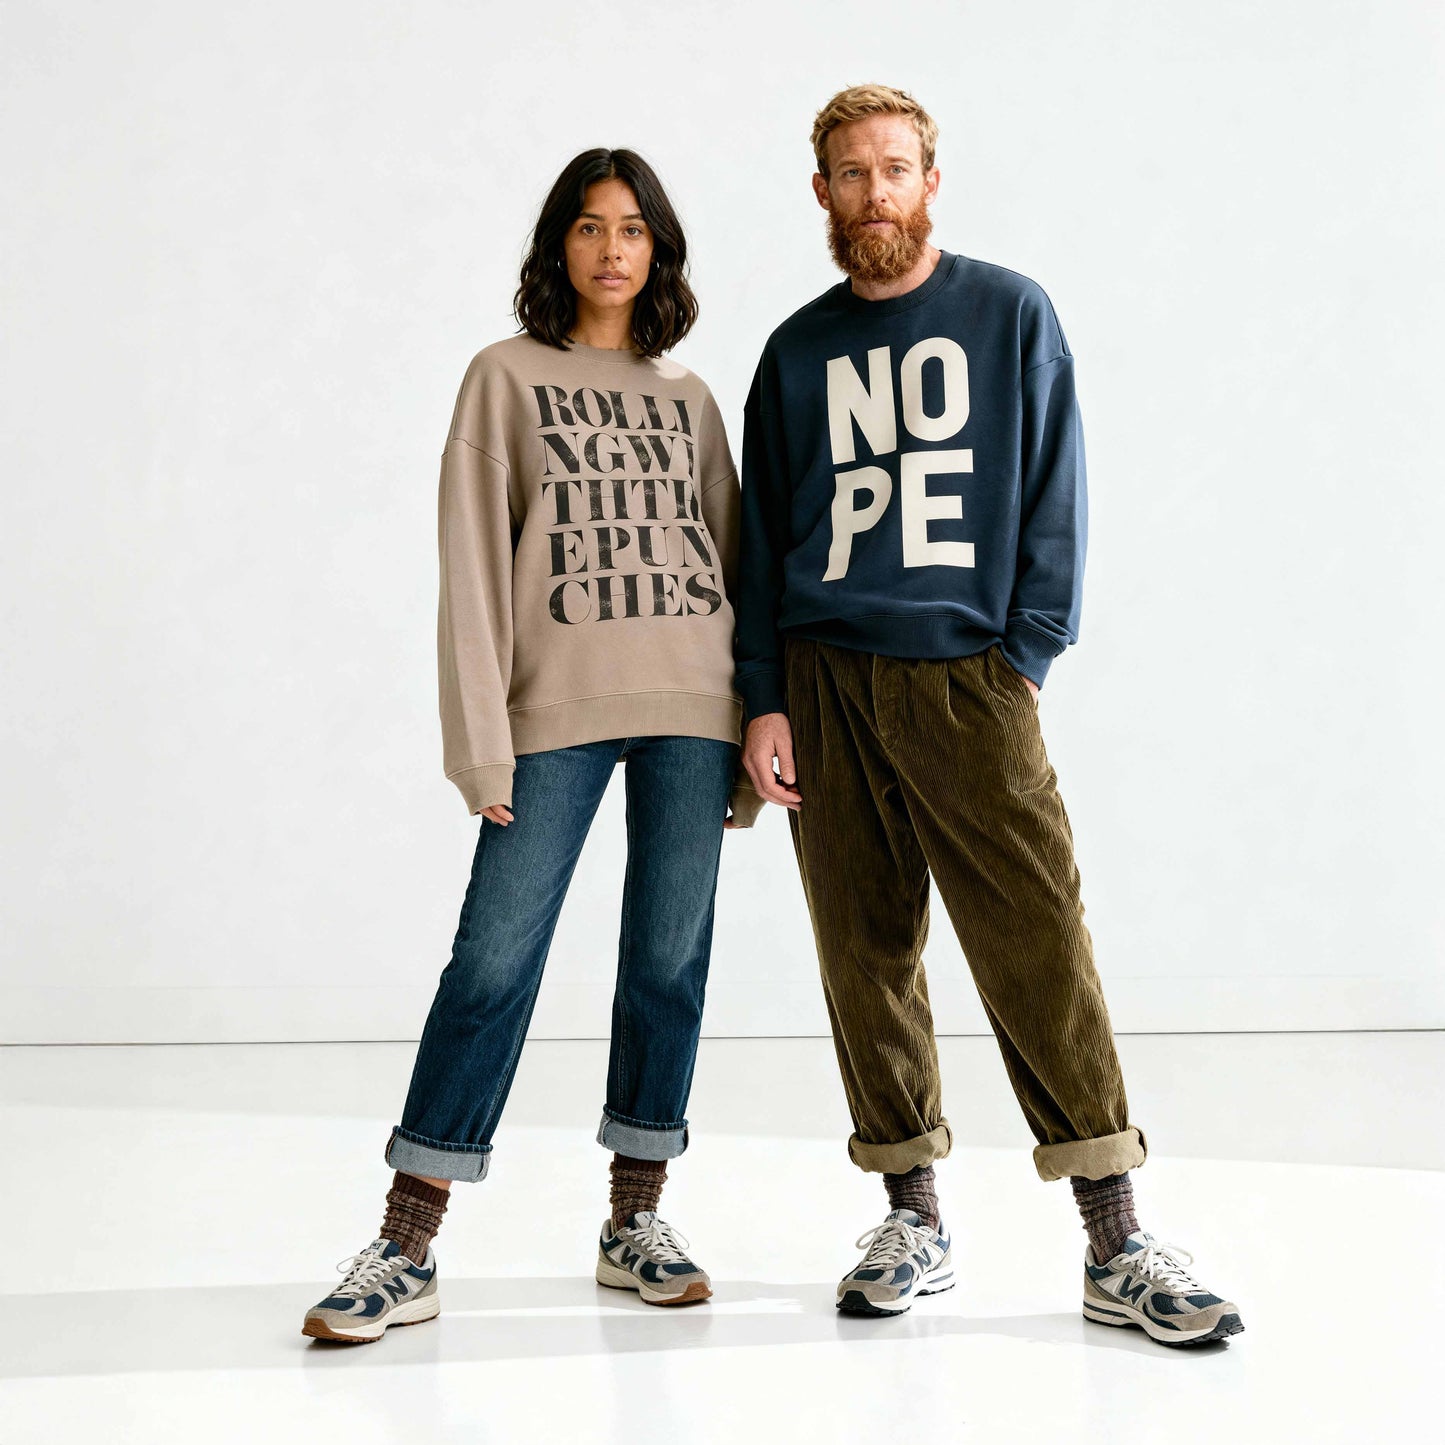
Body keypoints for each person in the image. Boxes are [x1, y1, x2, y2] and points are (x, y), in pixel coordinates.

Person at [735, 84, 1242, 1347]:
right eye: (848, 174)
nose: (872, 194)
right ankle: (911, 1212)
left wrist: (1023, 656)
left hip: (969, 676)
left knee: (1034, 942)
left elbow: (1055, 491)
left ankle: (1114, 1235)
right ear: (820, 195)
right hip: (825, 678)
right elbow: (758, 546)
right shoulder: (793, 353)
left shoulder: (1009, 312)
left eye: (893, 169)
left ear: (930, 182)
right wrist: (763, 699)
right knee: (863, 949)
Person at [302, 148, 761, 1343]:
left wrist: (756, 722)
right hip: (550, 715)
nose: (612, 248)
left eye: (633, 230)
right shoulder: (502, 380)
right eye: (588, 226)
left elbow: (734, 562)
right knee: (492, 961)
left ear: (657, 251)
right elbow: (470, 567)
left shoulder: (690, 397)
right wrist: (480, 743)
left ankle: (634, 1219)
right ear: (556, 246)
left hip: (690, 709)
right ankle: (407, 1239)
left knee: (667, 965)